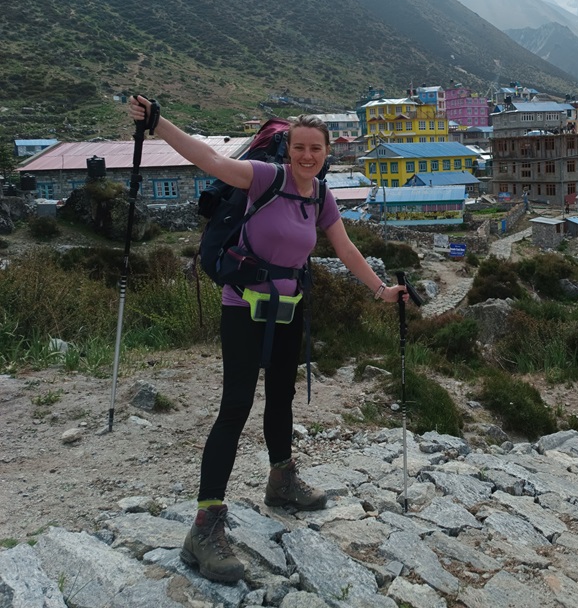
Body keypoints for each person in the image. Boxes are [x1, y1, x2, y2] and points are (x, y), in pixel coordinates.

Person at [127, 96, 408, 583]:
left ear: (326, 153)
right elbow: (209, 159)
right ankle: (205, 525)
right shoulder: (264, 177)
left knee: (281, 400)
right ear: (288, 149)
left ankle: (281, 481)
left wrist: (382, 291)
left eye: (315, 149)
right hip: (243, 310)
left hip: (289, 311)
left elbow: (345, 248)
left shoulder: (321, 195)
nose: (307, 155)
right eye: (299, 147)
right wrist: (158, 124)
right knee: (235, 406)